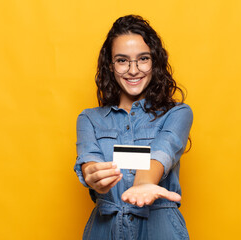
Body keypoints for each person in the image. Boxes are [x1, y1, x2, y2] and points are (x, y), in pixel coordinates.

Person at [75, 15, 193, 240]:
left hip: (160, 230)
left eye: (143, 59)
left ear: (154, 62)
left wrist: (144, 185)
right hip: (104, 230)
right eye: (122, 60)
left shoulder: (177, 113)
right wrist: (93, 175)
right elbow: (90, 160)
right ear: (110, 66)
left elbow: (162, 152)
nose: (133, 70)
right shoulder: (89, 119)